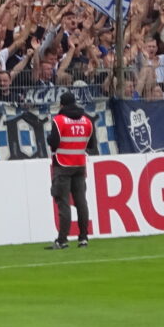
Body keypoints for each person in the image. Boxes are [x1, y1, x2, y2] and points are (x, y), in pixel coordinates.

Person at [45, 91, 95, 249]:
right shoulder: (87, 121)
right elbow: (92, 145)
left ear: (62, 104)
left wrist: (49, 138)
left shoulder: (59, 120)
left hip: (62, 165)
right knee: (81, 202)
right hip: (80, 165)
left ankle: (62, 240)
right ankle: (83, 238)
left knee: (63, 202)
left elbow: (53, 142)